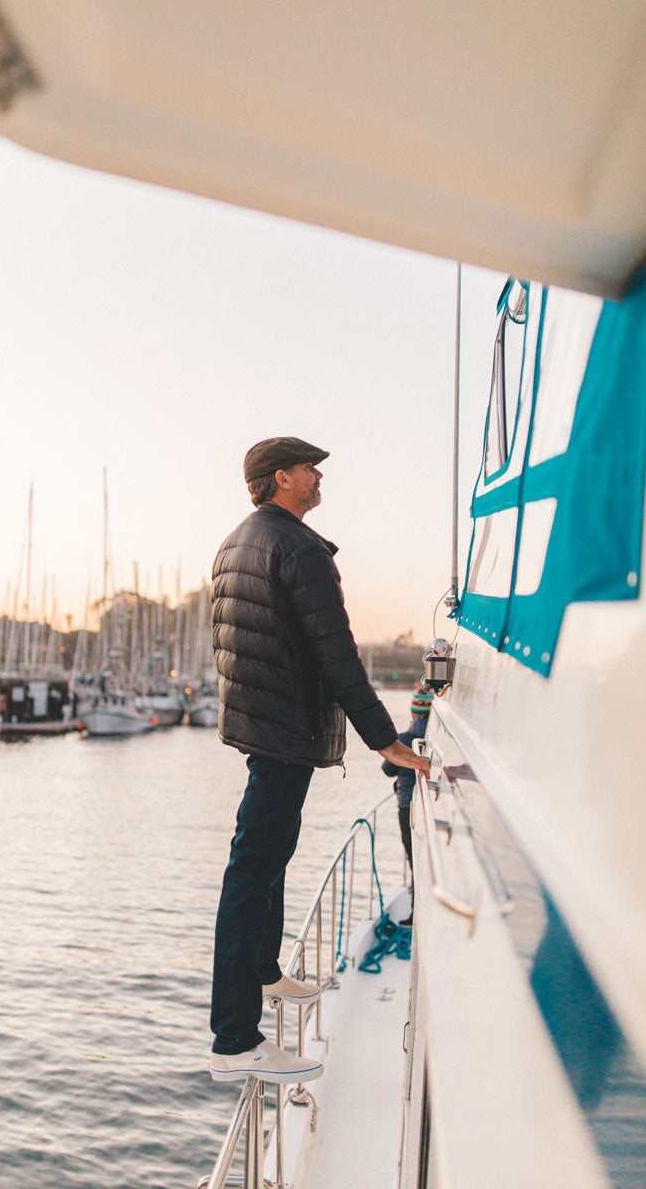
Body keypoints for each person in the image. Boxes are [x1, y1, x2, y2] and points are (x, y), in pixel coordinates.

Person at [208, 436, 430, 1085]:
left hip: (258, 724)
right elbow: (338, 656)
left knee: (266, 853)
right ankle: (234, 1040)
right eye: (310, 468)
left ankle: (264, 971)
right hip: (286, 729)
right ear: (282, 479)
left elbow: (228, 640)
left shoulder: (235, 543)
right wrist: (386, 740)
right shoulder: (300, 550)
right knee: (251, 871)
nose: (318, 476)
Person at [381, 683, 433, 924]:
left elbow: (388, 769)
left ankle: (416, 916)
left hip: (406, 807)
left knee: (414, 860)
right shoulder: (433, 740)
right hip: (430, 806)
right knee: (427, 859)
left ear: (414, 711)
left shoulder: (404, 738)